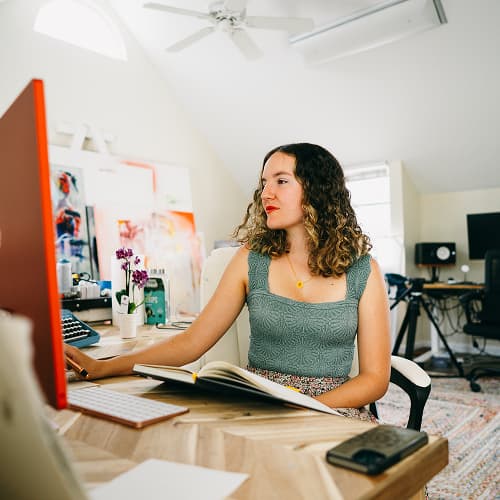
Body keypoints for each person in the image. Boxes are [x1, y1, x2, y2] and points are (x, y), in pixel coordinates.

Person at [65, 143, 391, 420]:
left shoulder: (364, 270)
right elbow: (191, 343)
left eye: (281, 181)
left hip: (331, 409)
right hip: (260, 402)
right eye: (264, 183)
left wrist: (305, 406)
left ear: (318, 190)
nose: (266, 193)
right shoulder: (252, 259)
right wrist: (105, 367)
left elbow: (375, 379)